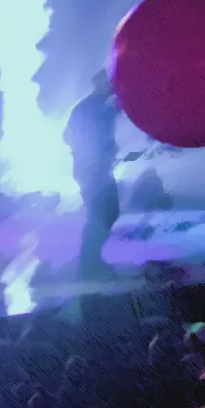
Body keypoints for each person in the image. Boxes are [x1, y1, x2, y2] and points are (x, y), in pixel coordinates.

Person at [66, 72, 122, 278]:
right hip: (91, 170)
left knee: (106, 211)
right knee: (101, 213)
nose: (111, 87)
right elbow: (68, 136)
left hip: (97, 169)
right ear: (96, 83)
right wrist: (91, 153)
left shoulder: (102, 107)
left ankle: (91, 261)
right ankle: (89, 263)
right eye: (107, 83)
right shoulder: (88, 108)